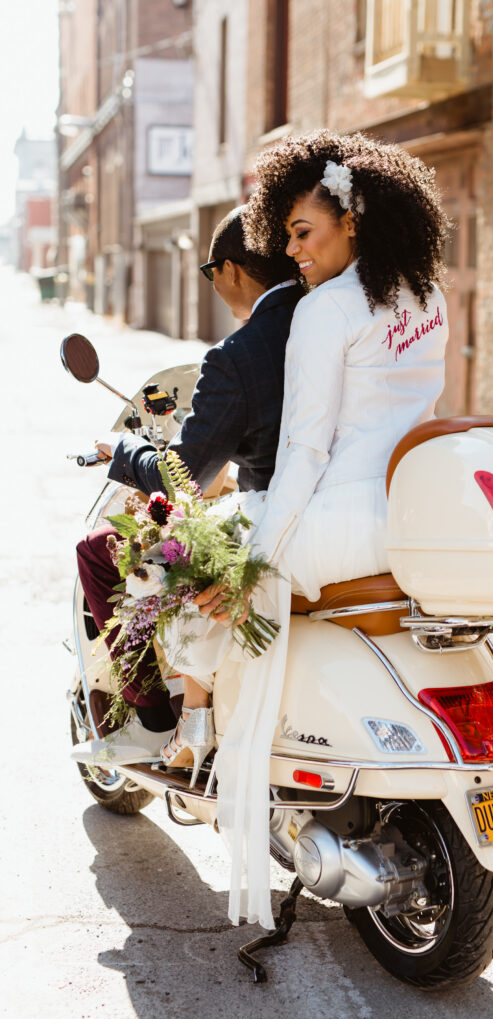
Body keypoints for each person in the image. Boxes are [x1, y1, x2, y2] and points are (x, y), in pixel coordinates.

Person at [157, 129, 450, 930]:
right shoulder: (426, 296)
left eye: (302, 233)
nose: (293, 255)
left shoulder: (325, 312)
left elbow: (304, 454)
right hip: (410, 521)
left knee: (193, 560)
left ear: (351, 220)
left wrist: (250, 563)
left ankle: (191, 728)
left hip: (336, 522)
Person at [73, 206, 303, 764]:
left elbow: (183, 477)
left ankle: (153, 717)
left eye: (210, 272)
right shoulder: (326, 320)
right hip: (337, 507)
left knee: (97, 552)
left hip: (271, 516)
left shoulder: (238, 354)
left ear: (230, 270)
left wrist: (124, 452)